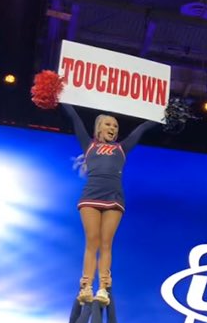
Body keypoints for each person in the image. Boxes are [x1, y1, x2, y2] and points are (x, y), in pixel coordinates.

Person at [63, 104, 155, 305]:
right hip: (91, 196)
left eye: (115, 125)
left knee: (106, 243)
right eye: (108, 124)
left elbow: (142, 128)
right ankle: (86, 286)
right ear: (99, 127)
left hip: (114, 198)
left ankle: (103, 288)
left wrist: (161, 114)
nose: (113, 128)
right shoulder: (89, 145)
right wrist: (61, 96)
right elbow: (74, 118)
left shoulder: (122, 148)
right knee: (92, 241)